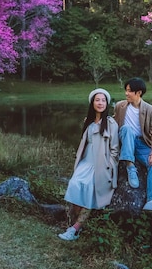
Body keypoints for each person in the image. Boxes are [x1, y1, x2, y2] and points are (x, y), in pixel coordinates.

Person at [58, 88, 119, 241]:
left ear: (107, 103)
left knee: (89, 194)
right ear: (92, 103)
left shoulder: (111, 124)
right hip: (85, 162)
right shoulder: (88, 122)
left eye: (103, 100)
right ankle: (77, 224)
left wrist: (109, 166)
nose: (100, 103)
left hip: (101, 166)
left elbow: (115, 150)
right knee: (74, 186)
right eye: (97, 100)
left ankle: (75, 229)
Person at [114, 77, 152, 213]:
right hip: (125, 141)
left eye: (129, 91)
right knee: (126, 129)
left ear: (138, 93)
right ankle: (130, 166)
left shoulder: (150, 110)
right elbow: (112, 123)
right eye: (126, 91)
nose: (126, 94)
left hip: (142, 143)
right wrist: (95, 121)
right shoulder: (120, 106)